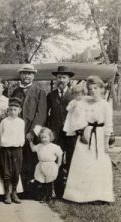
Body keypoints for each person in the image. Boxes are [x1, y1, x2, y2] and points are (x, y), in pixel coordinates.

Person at [63, 76, 114, 203]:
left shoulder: (105, 105)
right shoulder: (84, 101)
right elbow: (75, 113)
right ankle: (79, 195)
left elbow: (108, 125)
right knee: (82, 162)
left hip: (99, 135)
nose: (93, 91)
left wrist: (106, 143)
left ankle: (99, 196)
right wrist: (81, 131)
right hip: (85, 133)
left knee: (98, 163)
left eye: (96, 88)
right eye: (90, 89)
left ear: (102, 89)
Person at [11, 64, 47, 195]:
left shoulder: (39, 92)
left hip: (32, 133)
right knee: (18, 159)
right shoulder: (15, 92)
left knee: (32, 160)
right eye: (24, 73)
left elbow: (41, 113)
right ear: (20, 75)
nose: (27, 76)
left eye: (30, 73)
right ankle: (19, 189)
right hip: (17, 132)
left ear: (33, 76)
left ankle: (32, 190)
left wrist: (32, 132)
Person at [0, 77, 23, 196]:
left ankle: (11, 190)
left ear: (3, 88)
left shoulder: (7, 101)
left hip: (7, 130)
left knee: (8, 160)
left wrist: (3, 117)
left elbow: (14, 116)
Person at [46, 65, 75, 197]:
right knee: (55, 159)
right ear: (56, 79)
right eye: (59, 77)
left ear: (68, 79)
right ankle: (56, 190)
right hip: (55, 133)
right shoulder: (50, 95)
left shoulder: (73, 96)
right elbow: (46, 114)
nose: (61, 80)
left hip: (70, 133)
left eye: (64, 77)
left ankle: (68, 190)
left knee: (69, 160)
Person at [0, 97, 25, 204]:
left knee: (16, 171)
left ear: (19, 110)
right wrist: (5, 143)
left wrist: (19, 144)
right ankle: (7, 194)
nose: (13, 112)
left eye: (15, 110)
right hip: (6, 149)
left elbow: (21, 135)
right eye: (11, 109)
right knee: (6, 171)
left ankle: (14, 192)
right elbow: (0, 134)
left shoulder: (21, 122)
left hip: (17, 149)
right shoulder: (4, 121)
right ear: (8, 110)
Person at [30, 127, 63, 203]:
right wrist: (30, 142)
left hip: (50, 165)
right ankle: (44, 196)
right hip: (41, 165)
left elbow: (60, 154)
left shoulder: (54, 147)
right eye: (41, 138)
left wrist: (59, 164)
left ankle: (50, 196)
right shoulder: (39, 146)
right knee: (42, 181)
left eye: (45, 137)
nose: (43, 139)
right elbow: (33, 148)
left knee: (49, 182)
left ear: (50, 137)